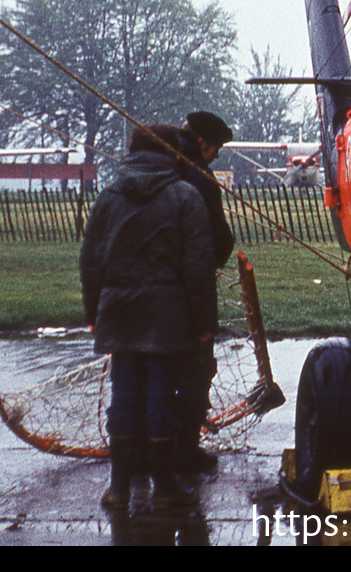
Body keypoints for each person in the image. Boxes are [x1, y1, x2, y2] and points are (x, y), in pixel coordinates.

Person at [81, 123, 216, 510]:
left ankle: (118, 487)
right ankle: (165, 487)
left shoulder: (108, 197)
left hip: (120, 316)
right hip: (167, 318)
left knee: (123, 399)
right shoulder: (184, 196)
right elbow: (198, 266)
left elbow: (91, 261)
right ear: (171, 152)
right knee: (160, 399)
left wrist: (95, 312)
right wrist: (204, 322)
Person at [174, 110, 235, 472]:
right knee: (197, 365)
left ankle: (140, 449)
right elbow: (215, 239)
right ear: (202, 142)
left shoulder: (154, 166)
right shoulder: (196, 175)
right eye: (216, 149)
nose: (215, 157)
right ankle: (184, 450)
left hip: (147, 288)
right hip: (189, 285)